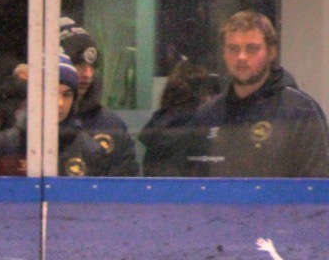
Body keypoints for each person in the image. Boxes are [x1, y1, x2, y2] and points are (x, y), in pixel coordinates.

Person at [182, 10, 329, 178]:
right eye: (233, 49)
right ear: (223, 53)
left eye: (252, 48)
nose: (241, 57)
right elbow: (191, 182)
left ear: (271, 52)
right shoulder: (207, 114)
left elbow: (318, 186)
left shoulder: (301, 112)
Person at [58, 19, 140, 176]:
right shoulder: (29, 129)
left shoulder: (111, 126)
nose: (88, 74)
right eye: (78, 64)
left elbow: (127, 185)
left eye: (92, 66)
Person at [138, 59, 219, 177]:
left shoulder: (157, 127)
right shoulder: (200, 129)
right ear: (202, 95)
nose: (211, 98)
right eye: (209, 92)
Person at [58, 54, 118, 176]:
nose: (60, 103)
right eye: (52, 93)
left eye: (67, 95)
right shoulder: (17, 143)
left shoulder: (90, 151)